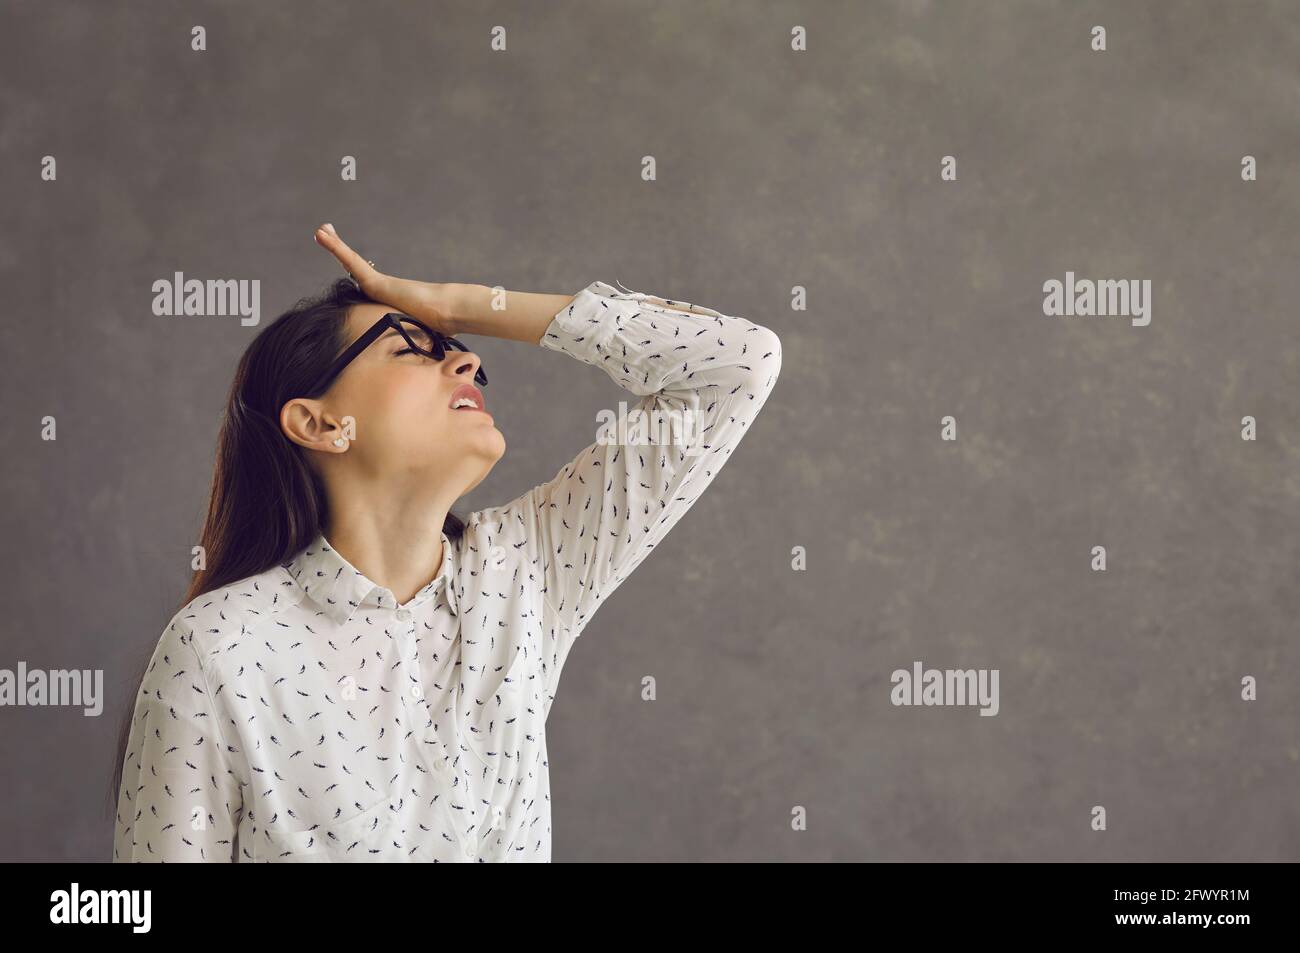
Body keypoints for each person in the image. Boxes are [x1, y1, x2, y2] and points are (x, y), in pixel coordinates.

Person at [110, 223, 782, 861]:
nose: (467, 358)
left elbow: (733, 364)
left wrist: (455, 304)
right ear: (319, 423)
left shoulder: (526, 575)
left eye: (452, 345)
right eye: (411, 349)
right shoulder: (219, 649)